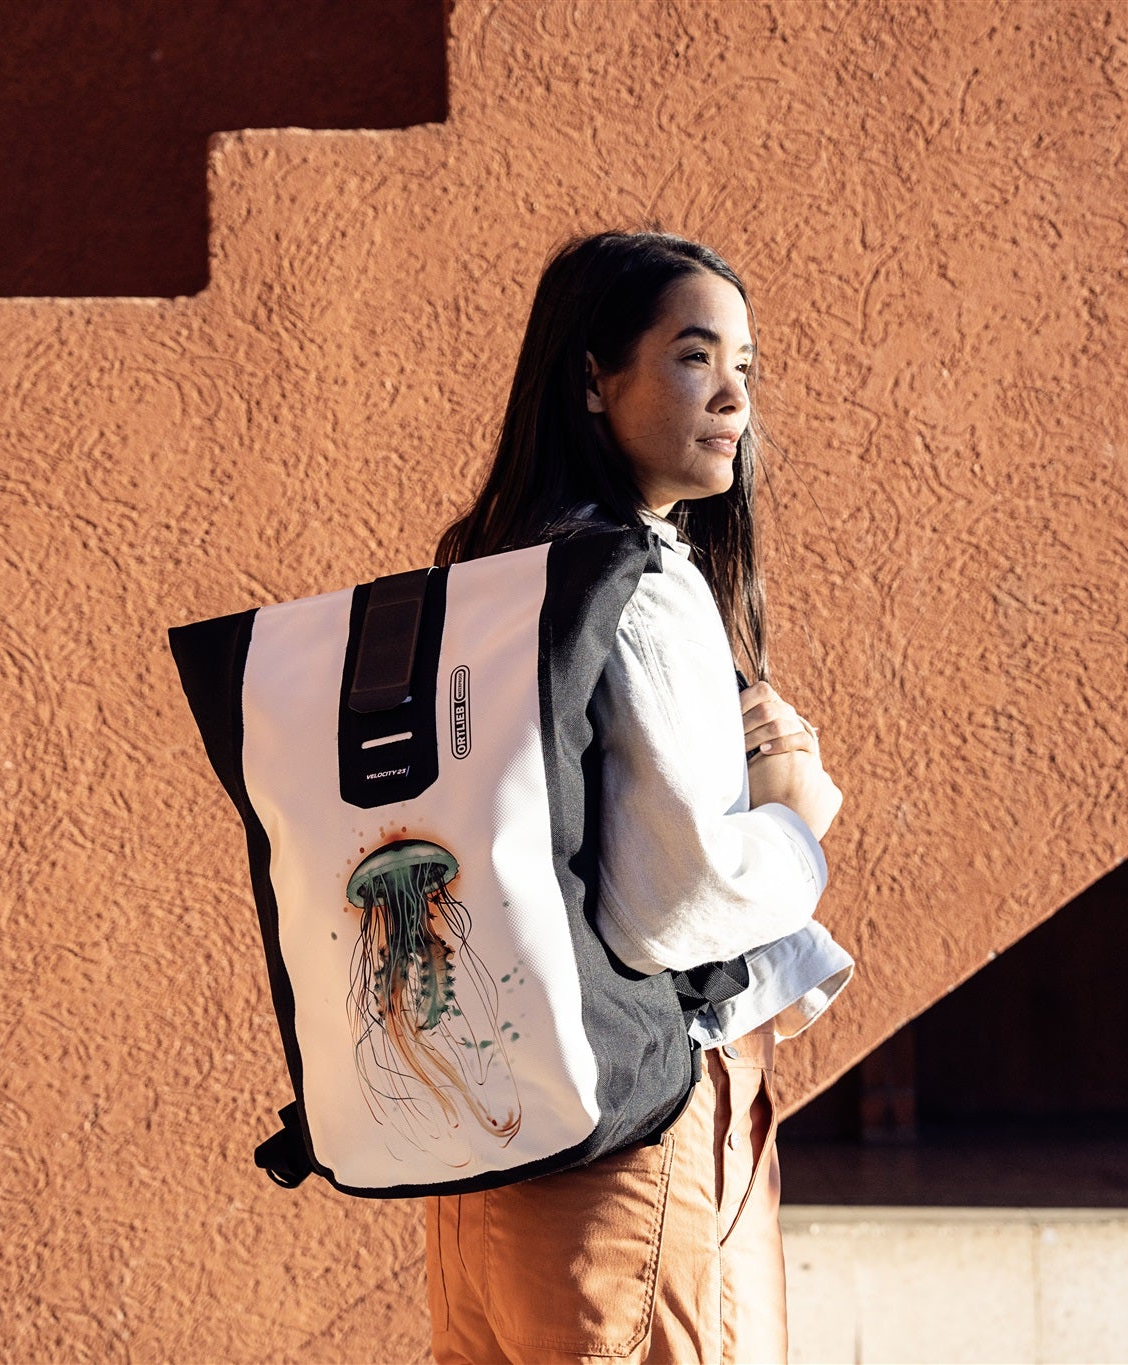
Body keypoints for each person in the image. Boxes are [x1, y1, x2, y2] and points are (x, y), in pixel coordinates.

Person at [424, 230, 853, 1364]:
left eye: (744, 365)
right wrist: (792, 819)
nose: (734, 397)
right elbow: (675, 903)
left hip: (491, 1125)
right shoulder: (642, 582)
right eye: (692, 357)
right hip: (623, 1139)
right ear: (592, 379)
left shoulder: (494, 576)